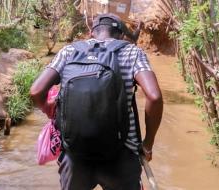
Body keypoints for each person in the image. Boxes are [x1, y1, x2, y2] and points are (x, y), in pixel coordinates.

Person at [30, 13, 163, 190]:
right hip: (121, 156)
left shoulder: (69, 51)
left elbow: (36, 91)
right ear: (122, 35)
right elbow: (154, 97)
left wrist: (49, 110)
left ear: (91, 33)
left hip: (75, 156)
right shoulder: (132, 52)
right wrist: (148, 143)